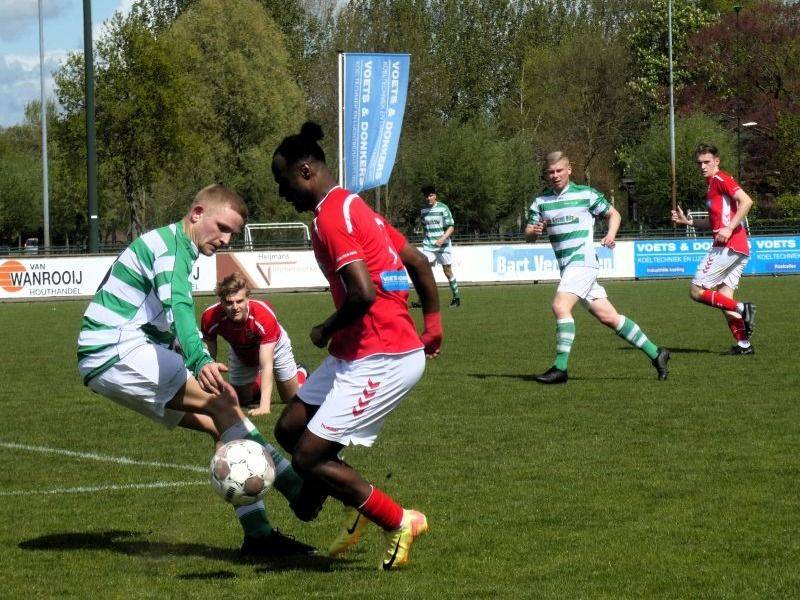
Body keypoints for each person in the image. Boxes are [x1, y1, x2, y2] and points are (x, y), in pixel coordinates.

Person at [76, 184, 315, 557]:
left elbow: (155, 317)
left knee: (221, 424)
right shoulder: (172, 249)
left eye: (232, 233)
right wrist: (199, 360)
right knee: (225, 404)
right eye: (222, 228)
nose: (226, 239)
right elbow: (180, 308)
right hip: (115, 350)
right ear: (197, 213)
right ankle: (296, 487)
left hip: (107, 357)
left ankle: (258, 536)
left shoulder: (170, 246)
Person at [270, 121, 443, 570]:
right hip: (357, 351)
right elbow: (415, 261)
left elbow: (362, 294)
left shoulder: (332, 217)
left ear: (305, 171)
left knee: (308, 456)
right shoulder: (353, 206)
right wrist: (433, 325)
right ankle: (352, 497)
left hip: (382, 355)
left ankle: (400, 520)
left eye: (283, 182)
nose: (282, 194)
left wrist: (324, 330)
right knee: (289, 430)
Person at [526, 151, 670, 384]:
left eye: (559, 170)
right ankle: (656, 353)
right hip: (568, 267)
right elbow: (529, 235)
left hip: (583, 261)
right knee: (609, 317)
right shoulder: (540, 202)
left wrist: (611, 234)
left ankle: (560, 368)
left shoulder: (586, 194)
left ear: (569, 169)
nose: (555, 175)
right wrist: (533, 231)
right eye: (550, 172)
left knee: (560, 306)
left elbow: (614, 214)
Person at [671, 143, 756, 354]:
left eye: (706, 162)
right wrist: (688, 222)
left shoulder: (720, 179)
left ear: (716, 161)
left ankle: (743, 308)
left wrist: (729, 227)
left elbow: (747, 201)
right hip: (738, 247)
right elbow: (714, 222)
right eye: (699, 163)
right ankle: (744, 345)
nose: (702, 166)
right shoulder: (711, 186)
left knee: (696, 290)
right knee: (724, 297)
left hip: (728, 245)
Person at [201, 272, 307, 416]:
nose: (235, 307)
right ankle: (256, 380)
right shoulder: (210, 317)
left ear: (248, 299)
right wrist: (207, 396)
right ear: (221, 302)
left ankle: (301, 371)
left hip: (275, 348)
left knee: (290, 398)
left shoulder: (263, 316)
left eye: (239, 301)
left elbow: (266, 364)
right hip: (240, 350)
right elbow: (209, 358)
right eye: (229, 303)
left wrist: (264, 406)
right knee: (242, 400)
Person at [415, 185, 461, 307]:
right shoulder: (423, 210)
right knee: (424, 270)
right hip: (429, 245)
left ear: (435, 196)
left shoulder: (443, 208)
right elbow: (425, 227)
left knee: (447, 271)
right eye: (427, 196)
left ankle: (456, 297)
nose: (428, 198)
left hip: (443, 245)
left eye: (431, 195)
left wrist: (442, 238)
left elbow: (451, 227)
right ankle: (422, 300)